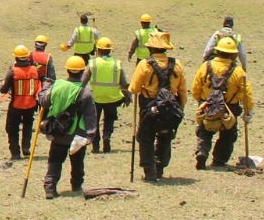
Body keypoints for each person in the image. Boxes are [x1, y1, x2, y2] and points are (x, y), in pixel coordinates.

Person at [128, 33, 186, 182]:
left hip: (149, 107)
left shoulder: (144, 65)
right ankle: (159, 168)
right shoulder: (177, 64)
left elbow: (134, 89)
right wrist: (180, 108)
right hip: (170, 108)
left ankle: (150, 173)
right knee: (165, 137)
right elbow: (182, 91)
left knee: (146, 139)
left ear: (151, 48)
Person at [38, 56, 98, 199]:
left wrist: (44, 89)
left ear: (67, 70)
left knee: (55, 160)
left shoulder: (57, 85)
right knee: (77, 162)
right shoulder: (86, 92)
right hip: (78, 134)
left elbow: (44, 102)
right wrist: (91, 135)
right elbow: (91, 116)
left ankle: (50, 188)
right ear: (83, 71)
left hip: (58, 131)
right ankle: (76, 186)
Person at [192, 38, 254, 170]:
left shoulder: (206, 66)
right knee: (228, 134)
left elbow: (196, 88)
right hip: (229, 109)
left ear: (218, 51)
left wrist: (201, 102)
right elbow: (246, 92)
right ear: (233, 54)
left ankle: (202, 152)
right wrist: (248, 111)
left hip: (207, 105)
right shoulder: (238, 71)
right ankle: (219, 160)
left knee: (205, 132)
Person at [86, 37, 130, 153]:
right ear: (110, 50)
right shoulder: (116, 64)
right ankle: (107, 137)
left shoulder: (93, 63)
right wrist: (128, 96)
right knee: (109, 118)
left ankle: (95, 146)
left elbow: (83, 81)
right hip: (112, 97)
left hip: (96, 97)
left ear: (98, 50)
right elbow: (124, 83)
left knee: (94, 121)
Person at [0, 45, 41, 162]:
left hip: (16, 105)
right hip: (31, 104)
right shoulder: (35, 70)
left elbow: (4, 90)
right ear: (27, 57)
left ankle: (15, 153)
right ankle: (26, 147)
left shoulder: (12, 72)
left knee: (12, 129)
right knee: (27, 125)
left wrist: (1, 87)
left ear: (16, 58)